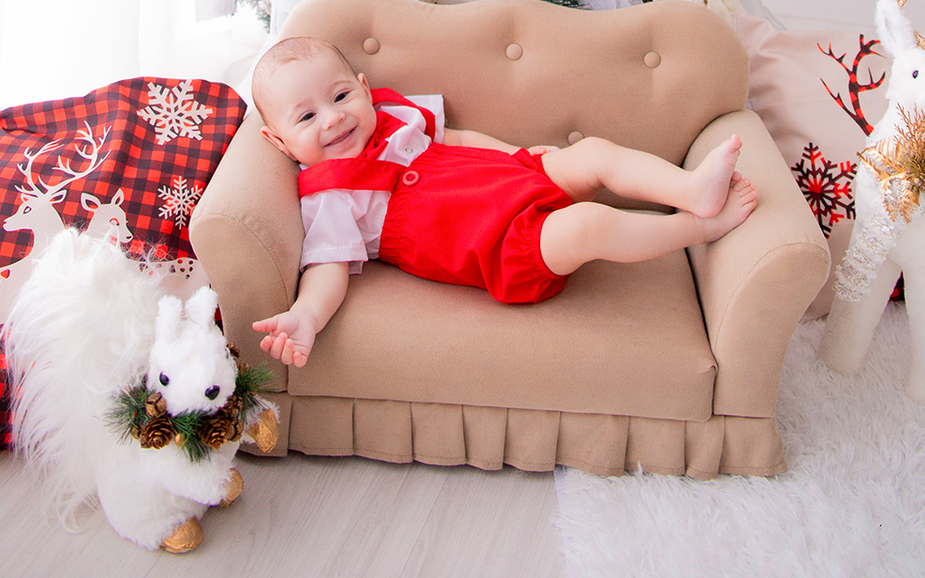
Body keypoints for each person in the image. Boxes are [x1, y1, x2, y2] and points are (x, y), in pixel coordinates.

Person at [251, 34, 756, 370]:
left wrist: (519, 156)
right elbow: (328, 268)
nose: (333, 118)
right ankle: (696, 229)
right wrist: (307, 316)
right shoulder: (330, 194)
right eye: (306, 117)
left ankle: (690, 189)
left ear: (364, 89)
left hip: (512, 178)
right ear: (278, 142)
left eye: (341, 97)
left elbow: (460, 140)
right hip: (501, 245)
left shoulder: (393, 118)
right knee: (587, 225)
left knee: (593, 154)